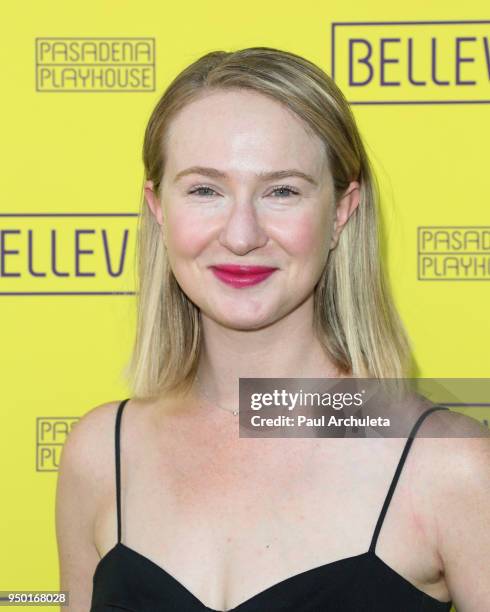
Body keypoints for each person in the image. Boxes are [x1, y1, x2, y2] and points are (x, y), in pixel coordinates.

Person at [55, 47, 490, 611]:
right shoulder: (99, 454)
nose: (241, 235)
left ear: (341, 211)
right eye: (205, 189)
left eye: (282, 190)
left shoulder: (451, 466)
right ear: (158, 208)